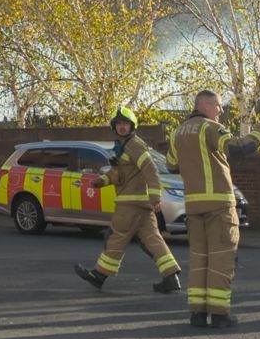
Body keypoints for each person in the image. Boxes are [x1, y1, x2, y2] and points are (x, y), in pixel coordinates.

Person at [166, 90, 260, 329]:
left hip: (193, 206)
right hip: (219, 205)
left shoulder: (177, 132)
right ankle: (220, 315)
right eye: (218, 105)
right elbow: (238, 148)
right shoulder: (210, 128)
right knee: (222, 260)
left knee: (199, 259)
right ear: (205, 105)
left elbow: (171, 166)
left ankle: (198, 314)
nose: (221, 111)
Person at [74, 106, 181, 293]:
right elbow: (121, 174)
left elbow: (151, 170)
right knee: (153, 240)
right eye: (119, 124)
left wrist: (155, 196)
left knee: (116, 237)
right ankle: (171, 277)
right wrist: (102, 181)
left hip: (130, 204)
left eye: (126, 124)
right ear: (114, 127)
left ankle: (99, 276)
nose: (122, 127)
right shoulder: (124, 146)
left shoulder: (134, 145)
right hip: (140, 204)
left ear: (133, 126)